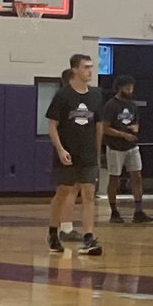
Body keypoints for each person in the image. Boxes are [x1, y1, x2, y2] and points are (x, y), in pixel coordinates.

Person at [45, 53, 104, 256]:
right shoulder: (63, 96)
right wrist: (60, 149)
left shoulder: (96, 95)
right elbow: (52, 126)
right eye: (86, 67)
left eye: (91, 67)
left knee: (89, 193)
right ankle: (53, 232)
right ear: (75, 70)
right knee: (63, 193)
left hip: (88, 154)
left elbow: (98, 126)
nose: (90, 70)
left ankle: (89, 237)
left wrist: (97, 152)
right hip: (68, 153)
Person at [101, 75, 152, 224]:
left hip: (132, 146)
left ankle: (138, 210)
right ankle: (114, 211)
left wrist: (135, 128)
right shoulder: (111, 105)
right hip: (115, 147)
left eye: (131, 87)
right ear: (119, 88)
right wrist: (123, 134)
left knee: (137, 176)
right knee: (114, 179)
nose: (130, 90)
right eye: (127, 87)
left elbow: (136, 124)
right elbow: (105, 128)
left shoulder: (132, 105)